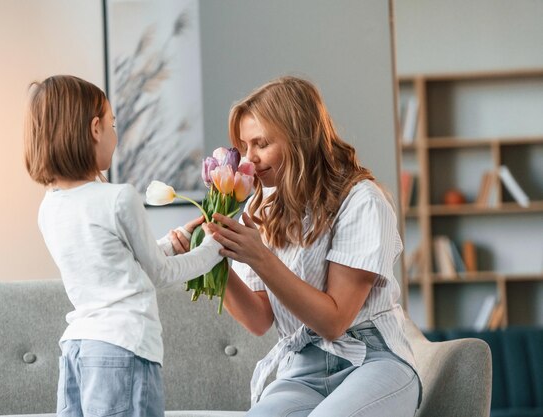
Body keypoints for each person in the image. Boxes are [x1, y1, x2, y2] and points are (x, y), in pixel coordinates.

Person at [208, 76, 422, 417]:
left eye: (260, 144)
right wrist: (215, 258)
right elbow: (258, 319)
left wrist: (260, 257)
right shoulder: (261, 207)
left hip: (371, 360)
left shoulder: (363, 201)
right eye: (244, 147)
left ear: (298, 139)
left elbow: (334, 322)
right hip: (303, 369)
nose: (248, 161)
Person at [23, 75, 222, 417]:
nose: (115, 135)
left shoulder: (49, 207)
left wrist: (173, 244)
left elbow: (112, 264)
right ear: (96, 127)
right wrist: (213, 248)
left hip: (77, 348)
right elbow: (159, 275)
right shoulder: (118, 197)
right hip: (123, 346)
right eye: (113, 123)